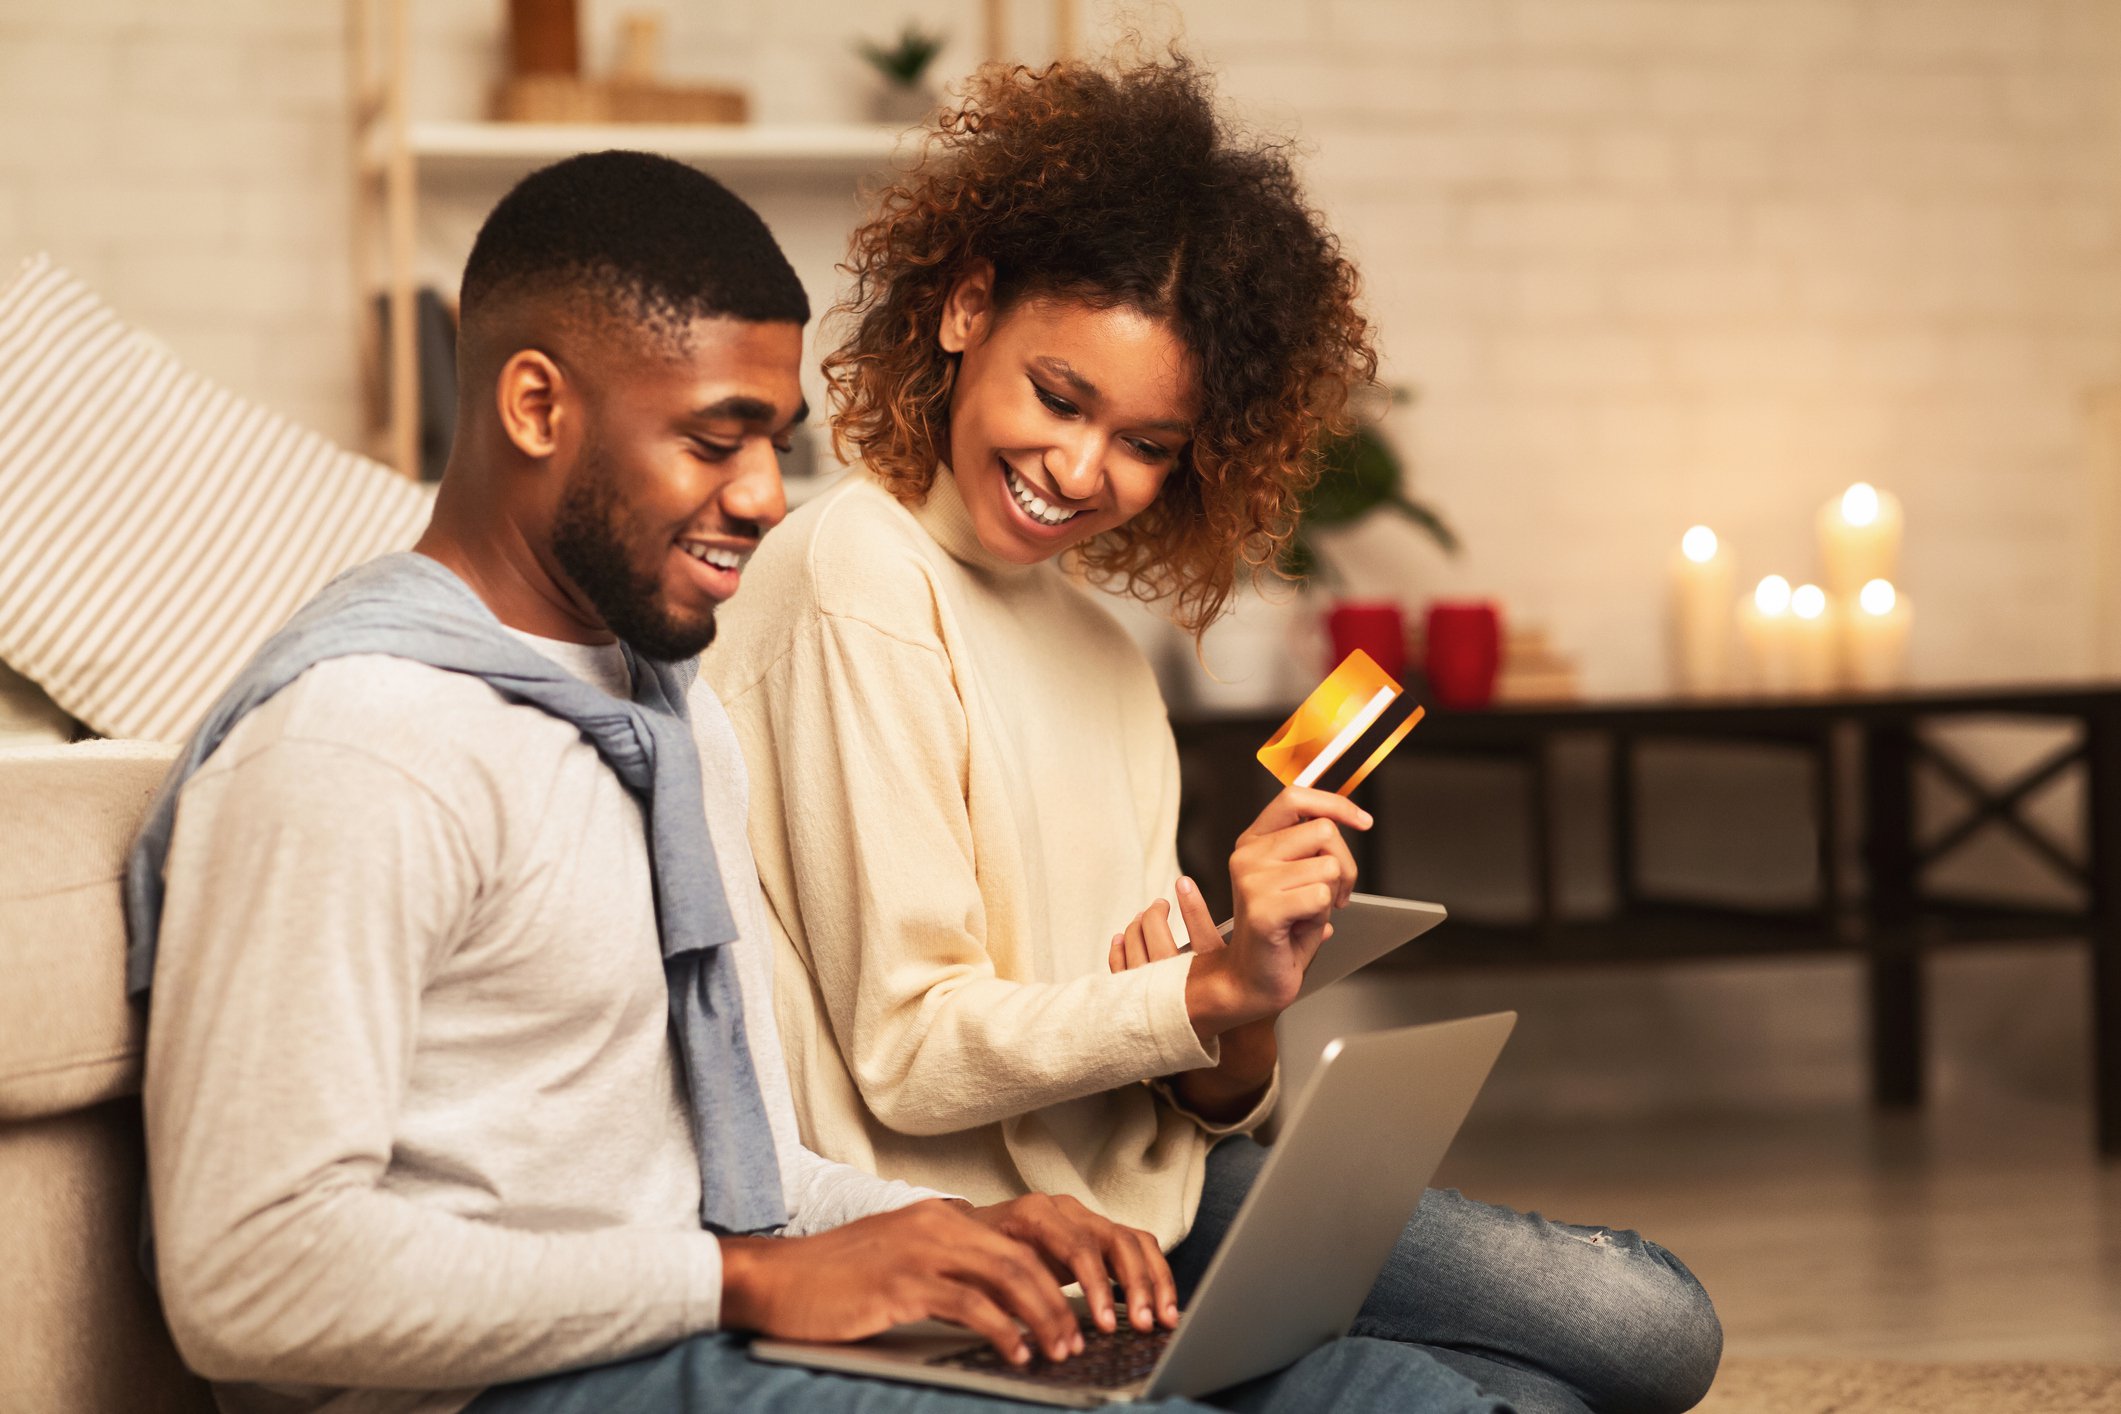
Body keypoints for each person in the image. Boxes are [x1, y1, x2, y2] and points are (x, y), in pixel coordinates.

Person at [127, 151, 1518, 1414]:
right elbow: (248, 1284)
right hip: (523, 1380)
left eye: (772, 442)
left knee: (1389, 1389)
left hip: (695, 1320)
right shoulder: (361, 745)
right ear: (537, 404)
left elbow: (725, 1160)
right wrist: (741, 1284)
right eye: (714, 437)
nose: (765, 498)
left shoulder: (661, 721)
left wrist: (938, 1235)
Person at [706, 58, 1723, 1414]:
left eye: (1145, 442)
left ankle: (1246, 1364)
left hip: (1158, 1198)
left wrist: (1236, 1036)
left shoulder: (1106, 656)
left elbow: (1161, 1078)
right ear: (962, 309)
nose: (1081, 471)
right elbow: (909, 1049)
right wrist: (1198, 997)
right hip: (962, 1220)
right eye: (1059, 398)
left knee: (1647, 1325)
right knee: (1527, 1379)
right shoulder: (856, 573)